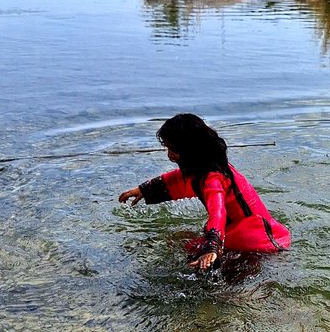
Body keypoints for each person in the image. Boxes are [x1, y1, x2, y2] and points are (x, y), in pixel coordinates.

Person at [119, 114, 291, 270]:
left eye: (172, 149)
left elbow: (218, 213)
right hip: (258, 233)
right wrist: (144, 190)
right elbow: (180, 180)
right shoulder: (208, 168)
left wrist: (211, 248)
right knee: (178, 240)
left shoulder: (213, 179)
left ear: (188, 150)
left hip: (253, 240)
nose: (169, 155)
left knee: (190, 255)